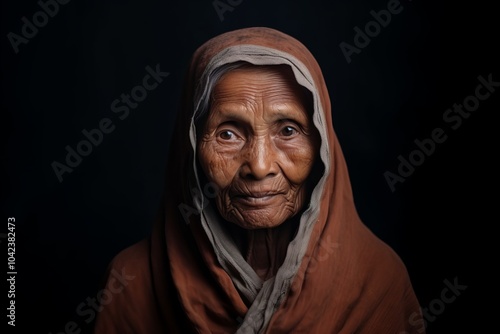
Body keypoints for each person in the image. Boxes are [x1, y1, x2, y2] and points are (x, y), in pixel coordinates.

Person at [93, 27, 424, 333]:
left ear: (322, 147)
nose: (260, 165)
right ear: (191, 148)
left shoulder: (378, 281)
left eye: (288, 131)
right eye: (228, 134)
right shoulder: (133, 282)